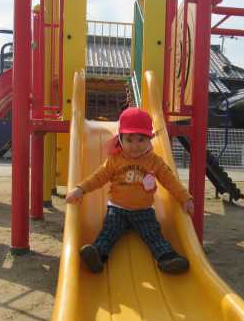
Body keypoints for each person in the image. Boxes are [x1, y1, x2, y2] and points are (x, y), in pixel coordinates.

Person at [66, 107, 194, 274]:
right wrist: (80, 189)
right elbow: (98, 177)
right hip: (117, 209)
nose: (135, 146)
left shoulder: (154, 161)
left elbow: (170, 181)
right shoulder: (115, 160)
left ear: (150, 139)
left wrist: (185, 198)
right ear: (120, 138)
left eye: (141, 139)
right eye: (129, 139)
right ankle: (97, 255)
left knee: (153, 234)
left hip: (144, 211)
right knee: (109, 232)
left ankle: (167, 258)